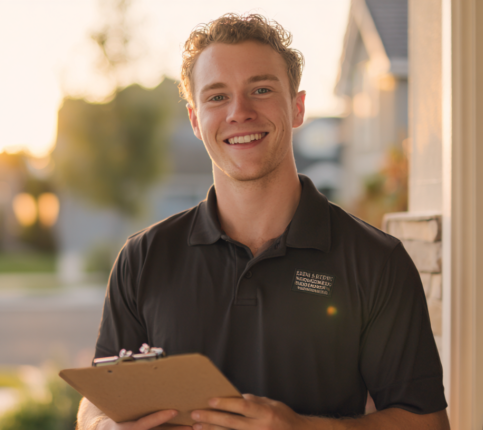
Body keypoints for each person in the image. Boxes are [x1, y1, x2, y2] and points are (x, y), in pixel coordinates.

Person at [77, 13, 450, 430]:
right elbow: (98, 401)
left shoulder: (376, 260)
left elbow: (427, 423)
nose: (240, 111)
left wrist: (302, 428)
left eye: (261, 89)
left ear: (297, 107)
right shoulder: (143, 258)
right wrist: (100, 426)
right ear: (195, 120)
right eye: (217, 97)